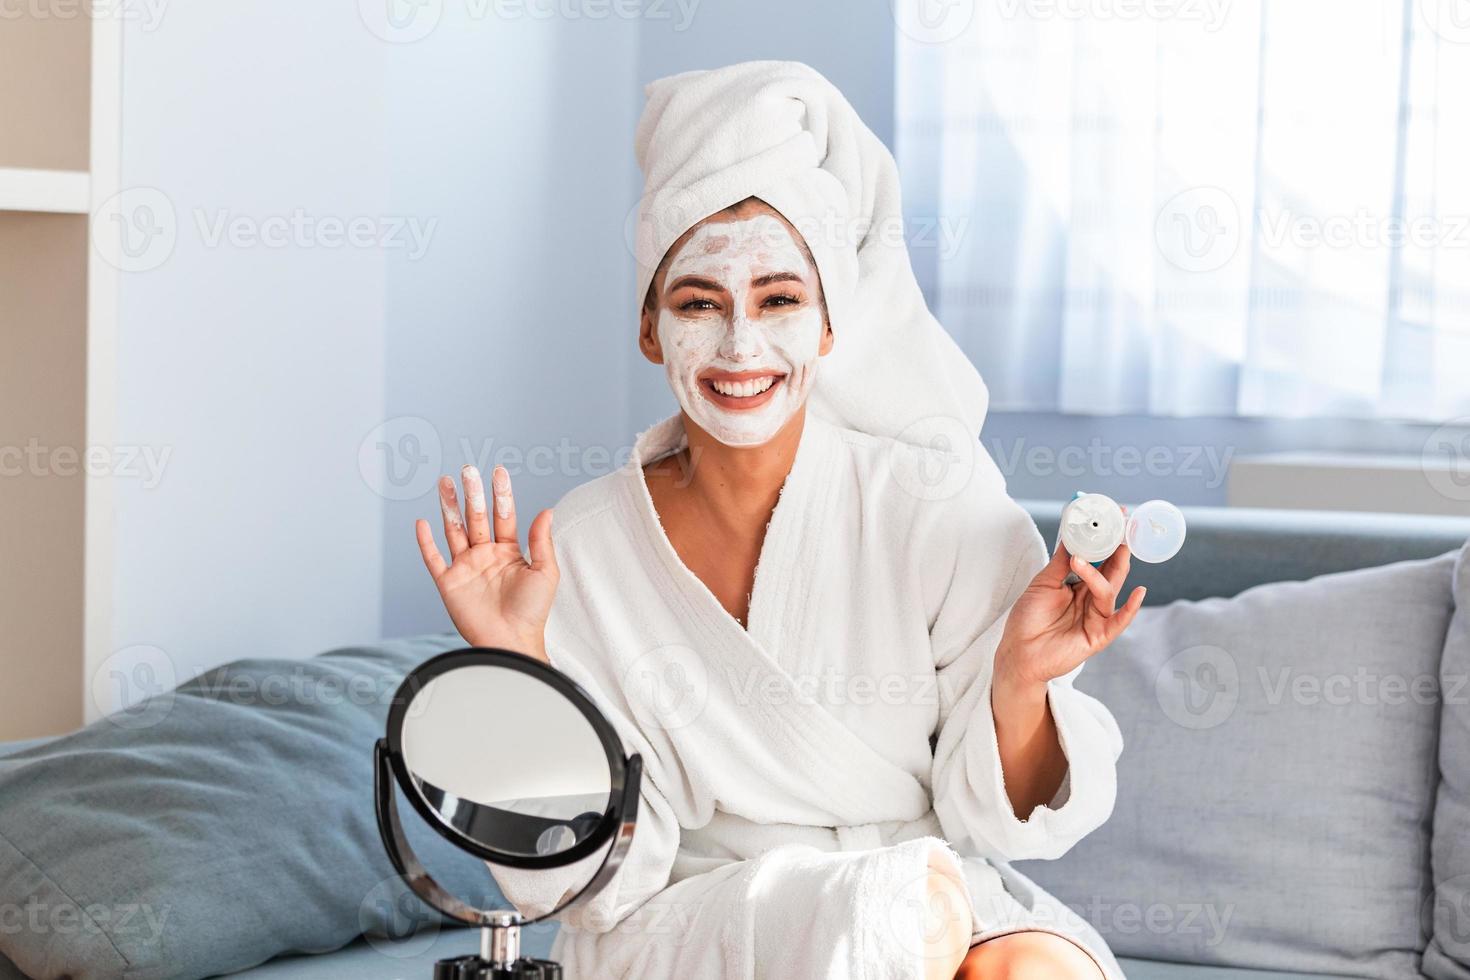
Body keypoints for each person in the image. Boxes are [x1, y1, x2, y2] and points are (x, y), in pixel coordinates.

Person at [414, 61, 1143, 980]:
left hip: (931, 898)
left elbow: (1001, 825)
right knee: (905, 916)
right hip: (696, 926)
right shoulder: (583, 548)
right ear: (650, 330)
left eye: (780, 300)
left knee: (1031, 966)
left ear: (831, 326)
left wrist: (1020, 683)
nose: (740, 346)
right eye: (699, 304)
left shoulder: (936, 507)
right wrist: (518, 662)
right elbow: (599, 884)